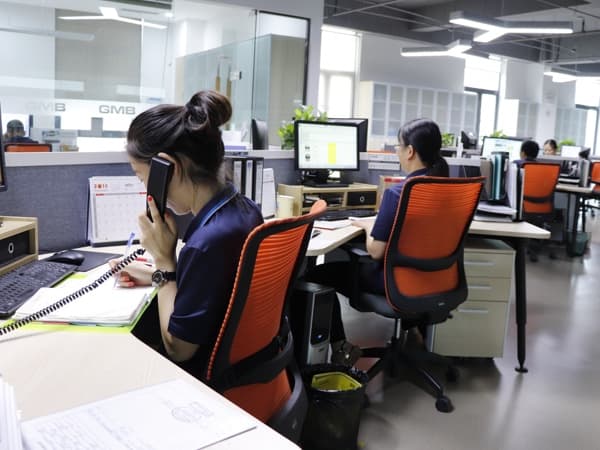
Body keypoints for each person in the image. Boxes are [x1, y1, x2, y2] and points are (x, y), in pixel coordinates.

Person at [110, 90, 263, 376]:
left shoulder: (205, 243)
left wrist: (164, 263)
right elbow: (218, 285)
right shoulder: (244, 209)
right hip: (248, 364)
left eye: (142, 177)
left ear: (167, 168)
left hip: (207, 379)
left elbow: (178, 349)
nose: (145, 189)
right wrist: (159, 274)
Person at [305, 118, 449, 365]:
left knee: (314, 276)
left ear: (410, 151)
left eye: (398, 146)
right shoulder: (448, 189)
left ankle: (341, 348)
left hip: (395, 283)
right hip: (437, 279)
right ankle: (413, 333)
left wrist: (369, 226)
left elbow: (376, 252)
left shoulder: (398, 193)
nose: (397, 151)